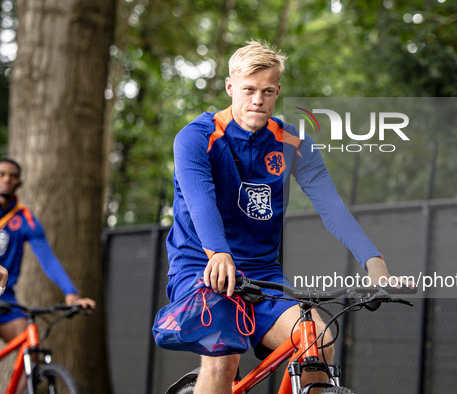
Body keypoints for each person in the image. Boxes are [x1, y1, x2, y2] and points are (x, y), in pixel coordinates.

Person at [160, 41, 413, 394]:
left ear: (277, 91)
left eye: (267, 91)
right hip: (203, 265)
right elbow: (200, 201)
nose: (257, 100)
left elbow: (331, 205)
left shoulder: (293, 141)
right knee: (223, 357)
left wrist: (374, 260)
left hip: (263, 275)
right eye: (248, 90)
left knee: (318, 341)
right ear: (231, 87)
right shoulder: (195, 138)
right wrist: (218, 252)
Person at [0, 157, 95, 392]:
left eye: (13, 175)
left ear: (20, 182)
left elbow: (47, 258)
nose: (7, 179)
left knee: (31, 351)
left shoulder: (25, 218)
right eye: (1, 174)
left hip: (3, 297)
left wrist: (71, 293)